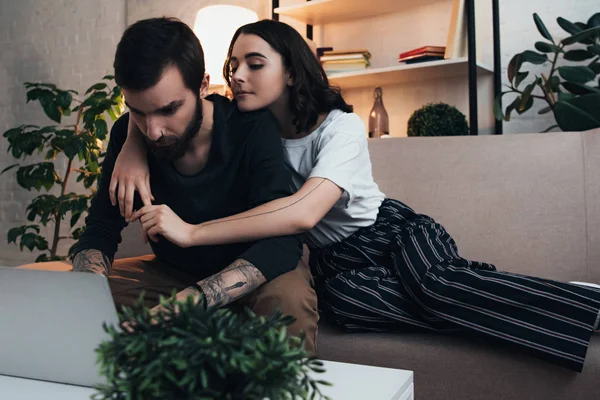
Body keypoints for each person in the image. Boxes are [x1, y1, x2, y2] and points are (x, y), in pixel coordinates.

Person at [110, 19, 600, 371]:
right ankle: (522, 293)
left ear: (291, 70)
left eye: (254, 64)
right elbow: (169, 112)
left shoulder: (338, 128)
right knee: (353, 306)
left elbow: (303, 213)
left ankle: (586, 306)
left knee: (435, 288)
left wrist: (194, 232)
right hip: (334, 264)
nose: (237, 75)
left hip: (388, 233)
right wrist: (132, 144)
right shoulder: (247, 133)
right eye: (233, 63)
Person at [29, 18, 319, 353]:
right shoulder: (129, 134)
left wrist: (192, 301)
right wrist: (85, 291)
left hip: (257, 272)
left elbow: (281, 242)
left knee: (288, 302)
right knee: (54, 296)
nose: (152, 131)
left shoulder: (252, 126)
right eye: (138, 112)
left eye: (169, 110)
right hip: (172, 274)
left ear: (202, 86)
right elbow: (101, 228)